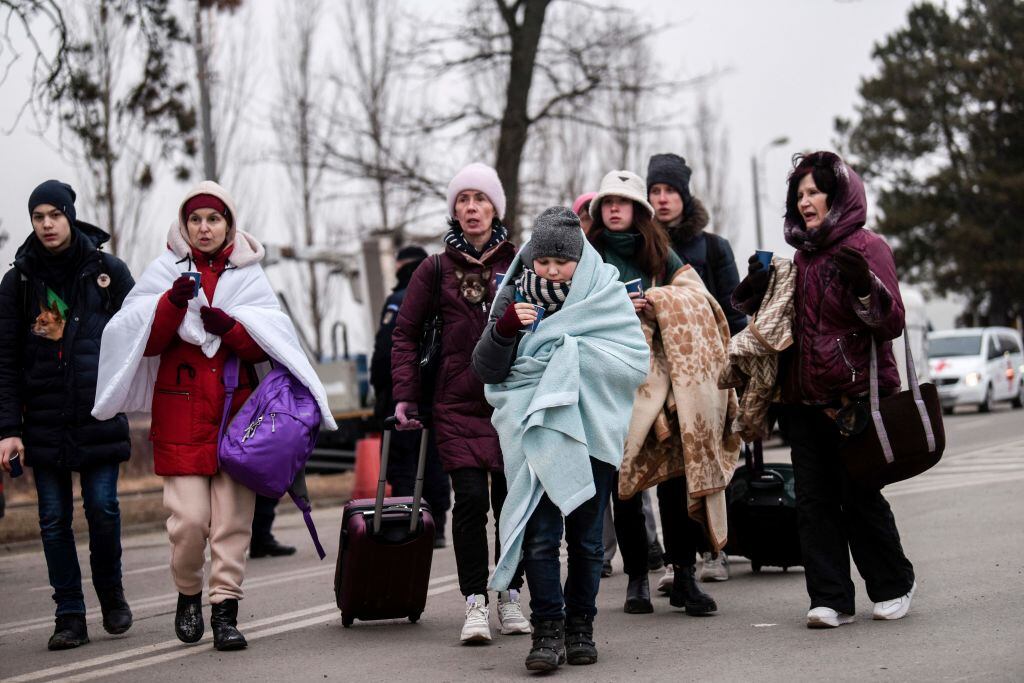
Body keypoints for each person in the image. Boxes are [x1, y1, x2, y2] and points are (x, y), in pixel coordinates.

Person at [92, 181, 336, 651]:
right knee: (187, 522)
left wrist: (233, 328)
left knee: (231, 525)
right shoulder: (162, 271)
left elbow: (271, 340)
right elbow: (141, 340)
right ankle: (188, 595)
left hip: (238, 414)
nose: (204, 228)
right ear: (184, 225)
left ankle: (225, 610)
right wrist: (171, 304)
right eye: (196, 220)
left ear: (229, 225)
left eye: (214, 219)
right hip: (180, 411)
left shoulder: (250, 274)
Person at [736, 151, 915, 629]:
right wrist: (758, 290)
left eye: (815, 192)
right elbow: (787, 327)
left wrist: (863, 285)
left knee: (859, 496)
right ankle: (830, 598)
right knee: (813, 504)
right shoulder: (800, 257)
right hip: (802, 399)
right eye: (799, 195)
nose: (806, 202)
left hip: (855, 398)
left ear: (838, 196)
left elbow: (891, 322)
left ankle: (893, 585)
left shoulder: (867, 245)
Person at [473, 207, 649, 671]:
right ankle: (547, 631)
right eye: (543, 261)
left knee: (589, 542)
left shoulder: (605, 293)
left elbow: (632, 362)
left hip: (591, 432)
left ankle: (581, 629)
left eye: (561, 262)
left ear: (579, 258)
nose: (551, 270)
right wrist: (507, 328)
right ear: (530, 258)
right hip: (533, 433)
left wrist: (573, 356)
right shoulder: (512, 295)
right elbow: (488, 371)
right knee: (541, 538)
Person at [390, 162, 529, 643]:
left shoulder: (521, 262)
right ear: (455, 210)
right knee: (470, 502)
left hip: (510, 402)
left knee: (511, 504)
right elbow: (405, 334)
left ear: (496, 208)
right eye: (463, 200)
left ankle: (510, 596)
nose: (472, 208)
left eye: (481, 199)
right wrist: (406, 394)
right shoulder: (434, 269)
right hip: (455, 403)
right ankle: (474, 603)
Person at [0, 180, 134, 650]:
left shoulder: (106, 271)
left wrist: (128, 393)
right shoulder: (19, 280)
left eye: (54, 214)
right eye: (38, 217)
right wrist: (7, 430)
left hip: (97, 413)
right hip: (44, 419)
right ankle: (69, 615)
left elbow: (140, 335)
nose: (47, 224)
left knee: (103, 508)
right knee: (53, 519)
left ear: (70, 215)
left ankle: (112, 595)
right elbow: (6, 359)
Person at [586, 169, 722, 617]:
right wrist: (616, 307)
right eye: (607, 203)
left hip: (668, 384)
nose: (614, 209)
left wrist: (658, 300)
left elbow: (696, 296)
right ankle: (638, 579)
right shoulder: (589, 256)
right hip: (614, 383)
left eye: (622, 202)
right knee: (625, 484)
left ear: (638, 211)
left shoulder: (661, 252)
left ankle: (683, 576)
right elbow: (572, 306)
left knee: (673, 478)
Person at [647, 152, 744, 584]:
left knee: (706, 461)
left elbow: (734, 309)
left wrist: (738, 366)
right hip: (661, 373)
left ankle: (714, 551)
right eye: (655, 191)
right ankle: (677, 560)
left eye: (670, 191)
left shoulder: (713, 247)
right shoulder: (643, 244)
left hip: (708, 371)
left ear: (684, 196)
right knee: (670, 468)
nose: (663, 199)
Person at [369, 244, 451, 548]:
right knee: (435, 459)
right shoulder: (441, 297)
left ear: (401, 266)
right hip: (437, 392)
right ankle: (438, 525)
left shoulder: (398, 300)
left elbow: (383, 353)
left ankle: (410, 523)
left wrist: (380, 393)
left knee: (403, 461)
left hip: (402, 393)